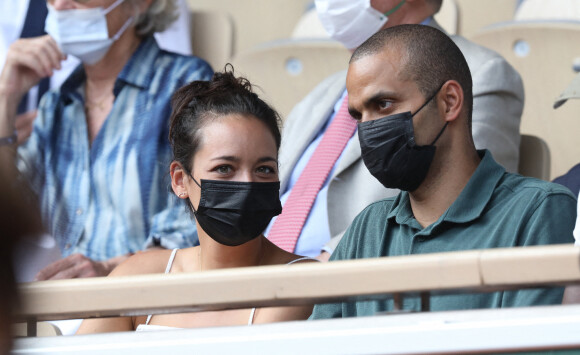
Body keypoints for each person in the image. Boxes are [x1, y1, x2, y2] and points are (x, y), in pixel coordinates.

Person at [310, 24, 575, 319]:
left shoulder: (537, 211)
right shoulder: (367, 228)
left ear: (449, 102)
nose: (368, 130)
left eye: (383, 104)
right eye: (359, 115)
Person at [266, 0, 524, 261]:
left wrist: (317, 271)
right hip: (256, 277)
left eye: (383, 105)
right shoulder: (319, 96)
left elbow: (464, 200)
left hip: (349, 282)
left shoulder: (479, 73)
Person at [76, 68, 316, 334]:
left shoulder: (298, 281)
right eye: (225, 168)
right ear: (180, 180)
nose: (247, 184)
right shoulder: (141, 275)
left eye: (264, 169)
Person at [0, 0, 213, 281]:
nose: (60, 5)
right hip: (55, 313)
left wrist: (110, 269)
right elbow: (10, 219)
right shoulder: (55, 106)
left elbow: (203, 218)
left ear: (137, 4)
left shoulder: (186, 83)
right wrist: (6, 96)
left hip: (143, 305)